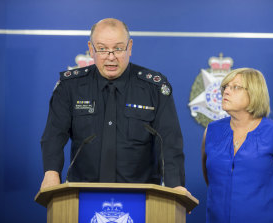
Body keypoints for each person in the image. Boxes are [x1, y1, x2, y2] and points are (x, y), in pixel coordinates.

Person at [40, 18, 186, 191]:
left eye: (118, 48)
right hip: (82, 193)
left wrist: (175, 185)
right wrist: (51, 172)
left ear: (129, 47)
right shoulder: (70, 86)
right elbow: (54, 136)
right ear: (90, 49)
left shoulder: (153, 88)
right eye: (102, 49)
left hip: (142, 195)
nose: (111, 57)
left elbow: (169, 142)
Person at [201, 68, 273, 222]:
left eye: (235, 87)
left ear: (254, 93)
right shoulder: (211, 131)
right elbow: (211, 179)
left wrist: (267, 210)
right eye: (225, 87)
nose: (226, 92)